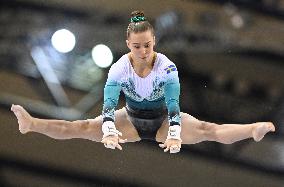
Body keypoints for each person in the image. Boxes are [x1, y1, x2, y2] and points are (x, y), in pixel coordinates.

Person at [11, 10, 275, 154]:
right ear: (128, 45)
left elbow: (173, 106)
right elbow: (109, 105)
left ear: (154, 43)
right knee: (78, 127)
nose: (143, 51)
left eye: (147, 45)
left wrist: (174, 135)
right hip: (130, 120)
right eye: (137, 46)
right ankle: (32, 124)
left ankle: (252, 129)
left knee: (208, 130)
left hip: (163, 119)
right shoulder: (118, 68)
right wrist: (111, 130)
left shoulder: (167, 68)